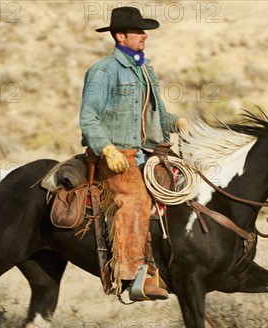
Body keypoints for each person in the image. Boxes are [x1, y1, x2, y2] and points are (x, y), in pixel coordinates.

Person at [79, 6, 188, 301]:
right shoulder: (103, 70)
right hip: (117, 155)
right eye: (139, 31)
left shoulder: (144, 70)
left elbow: (156, 115)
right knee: (136, 197)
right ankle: (133, 273)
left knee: (182, 187)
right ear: (120, 36)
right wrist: (107, 148)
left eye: (144, 31)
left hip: (145, 151)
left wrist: (176, 122)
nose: (144, 36)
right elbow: (89, 118)